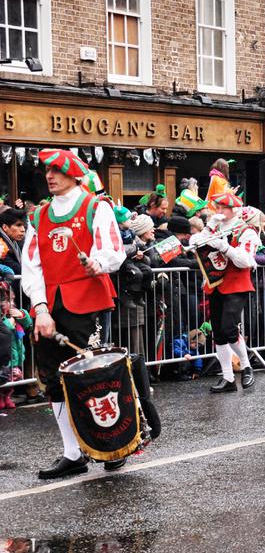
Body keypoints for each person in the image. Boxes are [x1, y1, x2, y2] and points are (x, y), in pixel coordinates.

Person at [21, 149, 125, 479]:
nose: (49, 176)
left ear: (74, 174)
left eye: (56, 171)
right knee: (53, 381)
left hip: (88, 303)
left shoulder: (96, 207)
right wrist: (40, 308)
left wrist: (99, 262)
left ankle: (111, 443)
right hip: (52, 307)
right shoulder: (39, 215)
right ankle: (72, 452)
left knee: (94, 377)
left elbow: (114, 251)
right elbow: (31, 266)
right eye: (47, 171)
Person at [190, 192, 259, 392]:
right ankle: (228, 377)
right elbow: (195, 243)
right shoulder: (215, 227)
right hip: (215, 283)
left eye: (223, 208)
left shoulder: (246, 231)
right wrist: (210, 226)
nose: (219, 211)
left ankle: (246, 366)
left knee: (229, 328)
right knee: (218, 333)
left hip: (237, 283)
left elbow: (246, 261)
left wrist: (224, 246)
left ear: (233, 210)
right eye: (217, 207)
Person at [0, 208, 26, 275]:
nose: (23, 229)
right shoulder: (1, 245)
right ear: (5, 227)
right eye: (18, 225)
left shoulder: (16, 241)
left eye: (23, 225)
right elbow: (15, 267)